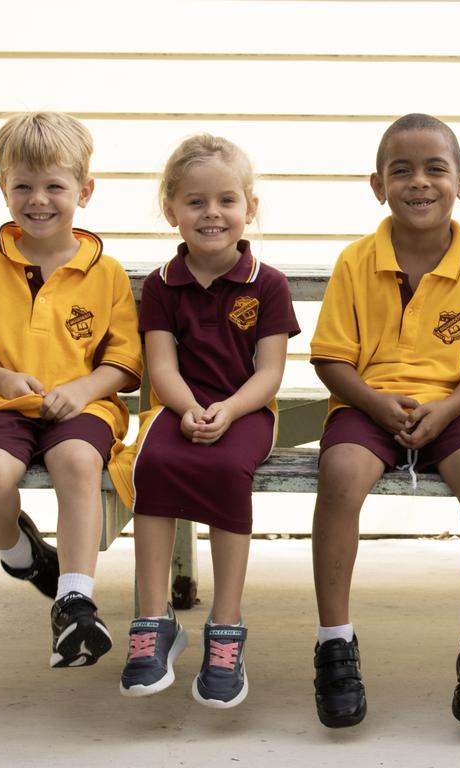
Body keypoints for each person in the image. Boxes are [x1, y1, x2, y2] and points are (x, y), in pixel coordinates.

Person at [310, 113, 460, 728]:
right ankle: (333, 643)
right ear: (378, 185)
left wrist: (448, 408)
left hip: (455, 407)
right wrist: (374, 403)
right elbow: (331, 358)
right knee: (341, 472)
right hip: (366, 404)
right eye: (402, 171)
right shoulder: (354, 261)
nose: (419, 182)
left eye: (435, 169)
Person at [111, 134, 299, 708]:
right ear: (172, 211)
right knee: (155, 465)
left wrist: (230, 409)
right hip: (177, 404)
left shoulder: (267, 283)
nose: (211, 214)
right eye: (195, 202)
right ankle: (152, 622)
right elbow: (160, 366)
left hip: (246, 408)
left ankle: (226, 628)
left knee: (222, 471)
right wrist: (187, 406)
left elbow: (269, 372)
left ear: (250, 208)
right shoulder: (162, 284)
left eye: (226, 201)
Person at [0, 112, 140, 668]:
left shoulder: (105, 271)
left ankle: (75, 602)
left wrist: (86, 386)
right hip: (1, 402)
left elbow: (122, 358)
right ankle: (20, 555)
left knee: (76, 462)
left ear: (84, 192)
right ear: (3, 190)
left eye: (54, 186)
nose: (38, 199)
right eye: (23, 185)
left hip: (85, 404)